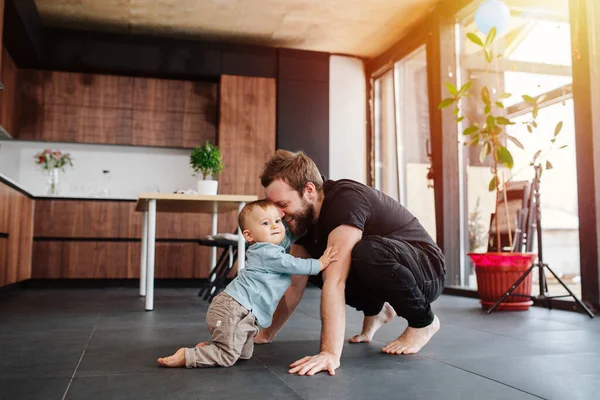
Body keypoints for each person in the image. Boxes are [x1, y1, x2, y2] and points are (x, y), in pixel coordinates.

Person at [255, 150, 446, 376]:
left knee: (354, 257)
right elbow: (295, 283)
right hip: (389, 264)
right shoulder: (303, 220)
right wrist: (266, 334)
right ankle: (376, 310)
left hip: (426, 269)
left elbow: (335, 281)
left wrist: (329, 354)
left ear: (308, 190)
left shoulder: (345, 200)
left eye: (282, 203)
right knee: (312, 265)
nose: (278, 213)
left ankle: (423, 321)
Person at [157, 199, 338, 368]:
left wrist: (301, 227)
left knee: (244, 353)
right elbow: (293, 263)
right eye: (266, 223)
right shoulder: (269, 254)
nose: (275, 226)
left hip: (239, 311)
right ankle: (187, 356)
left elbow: (286, 238)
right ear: (249, 235)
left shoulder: (266, 248)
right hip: (234, 310)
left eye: (277, 221)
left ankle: (210, 348)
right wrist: (320, 263)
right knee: (228, 357)